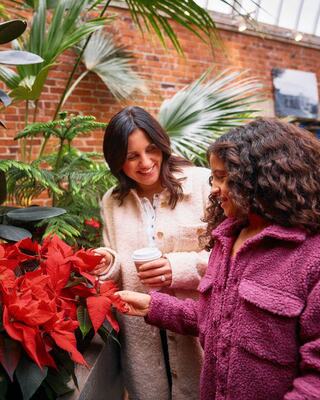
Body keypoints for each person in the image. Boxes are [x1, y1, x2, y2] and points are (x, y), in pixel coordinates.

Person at [116, 118, 320, 400]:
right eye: (215, 177)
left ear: (262, 179)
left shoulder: (311, 257)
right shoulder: (227, 240)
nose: (213, 188)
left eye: (223, 177)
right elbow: (215, 319)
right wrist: (154, 307)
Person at [94, 106, 211, 400]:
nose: (145, 163)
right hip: (141, 336)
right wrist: (108, 262)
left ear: (162, 144)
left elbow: (233, 258)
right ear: (116, 159)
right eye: (132, 156)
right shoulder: (113, 201)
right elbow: (116, 261)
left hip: (196, 334)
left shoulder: (202, 184)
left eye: (151, 150)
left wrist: (179, 268)